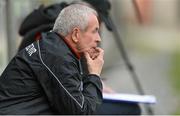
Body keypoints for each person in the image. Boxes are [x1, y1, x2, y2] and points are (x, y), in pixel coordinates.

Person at [17, 1, 141, 115]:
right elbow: (69, 95)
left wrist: (96, 84)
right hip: (42, 106)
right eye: (96, 26)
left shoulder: (60, 23)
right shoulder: (56, 35)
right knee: (131, 109)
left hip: (49, 101)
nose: (99, 34)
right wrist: (93, 82)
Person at [0, 4, 104, 114]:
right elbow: (82, 112)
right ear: (75, 35)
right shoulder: (58, 57)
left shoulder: (55, 47)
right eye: (94, 31)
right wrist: (94, 75)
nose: (98, 39)